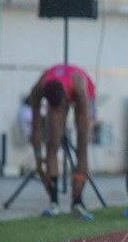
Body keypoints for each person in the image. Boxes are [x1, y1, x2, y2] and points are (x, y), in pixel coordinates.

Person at [27, 63, 97, 219]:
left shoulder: (79, 88)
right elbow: (36, 130)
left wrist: (79, 176)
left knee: (82, 144)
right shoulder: (38, 89)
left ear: (66, 99)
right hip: (59, 92)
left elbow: (82, 143)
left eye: (62, 106)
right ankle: (53, 202)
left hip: (84, 93)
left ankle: (77, 201)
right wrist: (39, 164)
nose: (62, 110)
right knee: (52, 144)